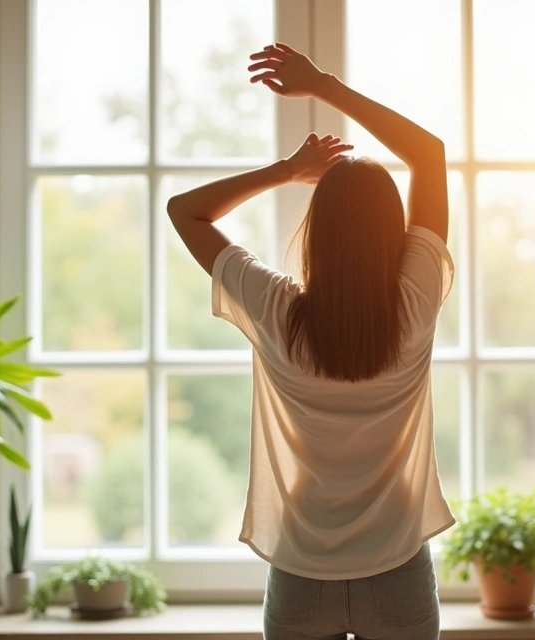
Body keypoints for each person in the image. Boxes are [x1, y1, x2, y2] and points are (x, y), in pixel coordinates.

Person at [166, 42, 453, 640]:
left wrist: (286, 171)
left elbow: (185, 211)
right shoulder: (414, 304)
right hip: (397, 569)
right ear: (391, 233)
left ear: (318, 231)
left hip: (301, 574)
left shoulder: (278, 311)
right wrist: (325, 86)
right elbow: (429, 155)